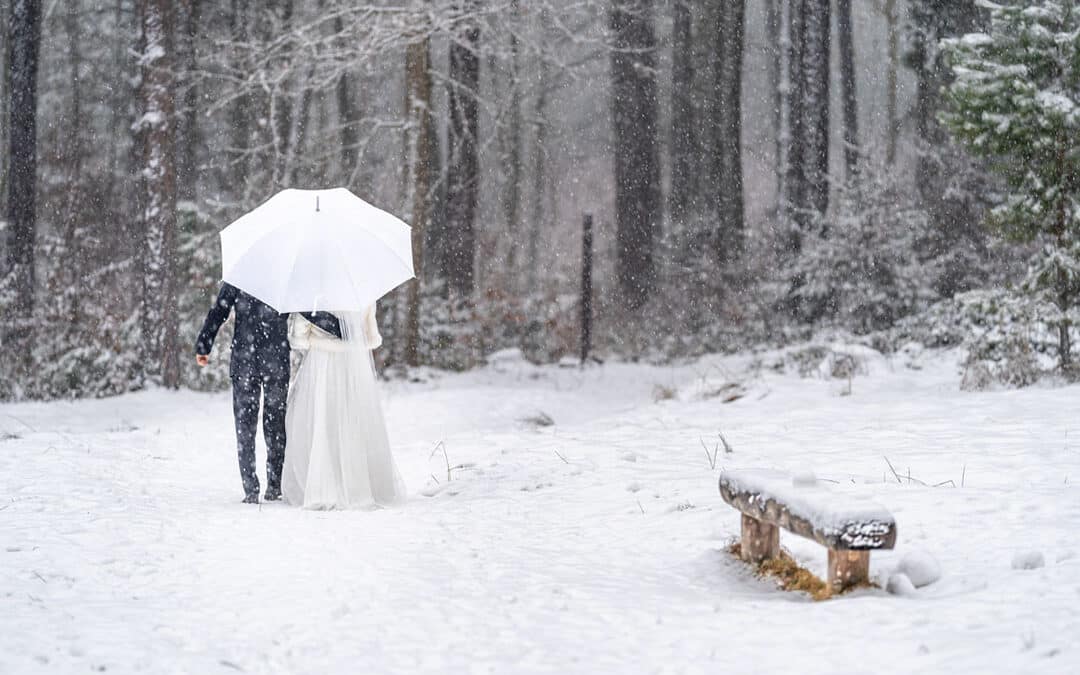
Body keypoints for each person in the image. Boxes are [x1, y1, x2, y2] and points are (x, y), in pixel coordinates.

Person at [194, 282, 340, 504]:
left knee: (245, 427)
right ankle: (274, 485)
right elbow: (309, 312)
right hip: (275, 362)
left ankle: (251, 489)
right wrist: (340, 328)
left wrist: (204, 345)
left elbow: (219, 311)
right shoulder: (284, 279)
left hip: (246, 361)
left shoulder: (240, 276)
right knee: (275, 425)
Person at [282, 304, 406, 509]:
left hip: (321, 364)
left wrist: (316, 335)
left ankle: (323, 485)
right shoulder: (362, 290)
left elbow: (299, 339)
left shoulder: (312, 295)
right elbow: (372, 338)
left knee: (322, 421)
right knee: (352, 420)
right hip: (353, 364)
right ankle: (357, 483)